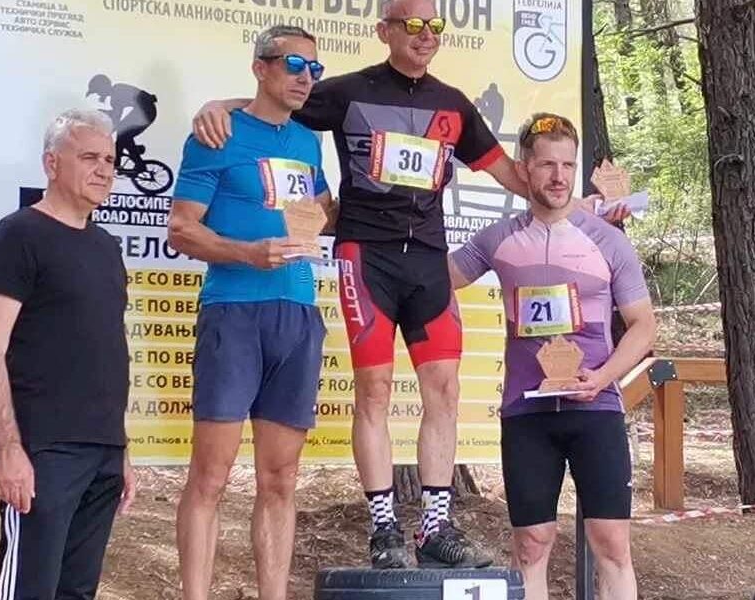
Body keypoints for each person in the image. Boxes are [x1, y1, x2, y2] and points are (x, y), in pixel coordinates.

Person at [191, 0, 527, 569]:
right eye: (413, 25)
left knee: (444, 389)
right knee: (374, 391)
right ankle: (384, 527)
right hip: (366, 256)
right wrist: (215, 105)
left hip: (429, 260)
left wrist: (571, 201)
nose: (425, 35)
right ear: (384, 31)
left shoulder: (453, 104)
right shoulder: (347, 91)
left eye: (434, 26)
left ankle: (435, 526)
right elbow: (271, 101)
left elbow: (509, 174)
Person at [449, 113, 656, 600]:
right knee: (531, 544)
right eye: (546, 165)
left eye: (567, 165)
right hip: (527, 413)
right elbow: (433, 281)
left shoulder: (607, 239)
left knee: (612, 544)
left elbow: (644, 326)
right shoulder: (498, 239)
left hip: (596, 408)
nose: (559, 176)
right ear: (524, 169)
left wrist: (602, 377)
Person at [168, 25, 332, 600]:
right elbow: (181, 229)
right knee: (210, 475)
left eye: (314, 68)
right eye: (294, 65)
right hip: (234, 312)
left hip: (298, 314)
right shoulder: (217, 133)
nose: (306, 77)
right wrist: (247, 253)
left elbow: (321, 211)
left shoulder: (309, 142)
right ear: (261, 67)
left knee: (281, 478)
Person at [0, 108, 137, 600]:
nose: (103, 169)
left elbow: (104, 351)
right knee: (27, 591)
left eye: (109, 160)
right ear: (51, 163)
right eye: (89, 157)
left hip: (103, 452)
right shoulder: (19, 235)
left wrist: (121, 451)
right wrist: (8, 451)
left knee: (76, 592)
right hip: (45, 452)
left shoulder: (106, 247)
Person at [86, 73, 158, 171]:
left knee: (123, 135)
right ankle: (133, 150)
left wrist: (107, 132)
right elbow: (116, 114)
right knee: (122, 135)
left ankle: (137, 163)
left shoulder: (116, 93)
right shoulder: (116, 92)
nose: (98, 95)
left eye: (98, 92)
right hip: (144, 111)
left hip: (146, 112)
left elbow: (116, 117)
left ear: (103, 88)